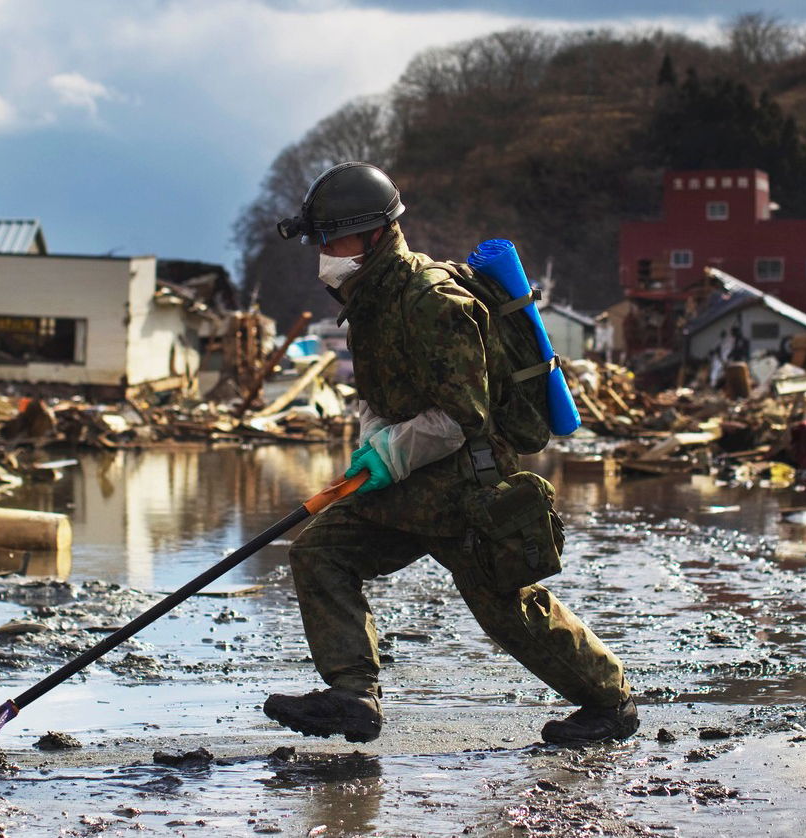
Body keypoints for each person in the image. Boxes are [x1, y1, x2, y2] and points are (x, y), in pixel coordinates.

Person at [264, 162, 636, 746]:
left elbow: (464, 416)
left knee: (508, 609)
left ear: (376, 234)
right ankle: (352, 696)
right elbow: (381, 397)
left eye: (335, 239)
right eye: (323, 241)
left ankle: (610, 704)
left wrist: (390, 454)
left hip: (464, 491)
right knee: (319, 554)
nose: (327, 253)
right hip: (408, 487)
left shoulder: (432, 299)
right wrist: (372, 448)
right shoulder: (367, 300)